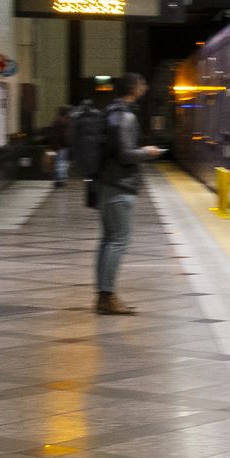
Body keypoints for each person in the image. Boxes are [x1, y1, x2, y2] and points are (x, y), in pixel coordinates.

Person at [94, 74, 162, 316]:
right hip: (119, 186)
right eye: (142, 85)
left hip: (108, 184)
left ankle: (104, 295)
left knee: (108, 241)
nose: (144, 88)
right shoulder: (125, 115)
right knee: (118, 241)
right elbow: (124, 153)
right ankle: (107, 297)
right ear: (134, 89)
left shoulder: (110, 112)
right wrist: (147, 152)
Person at [47, 106, 72, 187]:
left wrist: (55, 145)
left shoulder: (57, 122)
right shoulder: (65, 122)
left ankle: (59, 180)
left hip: (60, 146)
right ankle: (60, 180)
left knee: (59, 163)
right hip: (63, 146)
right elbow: (65, 135)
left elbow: (53, 135)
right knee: (61, 163)